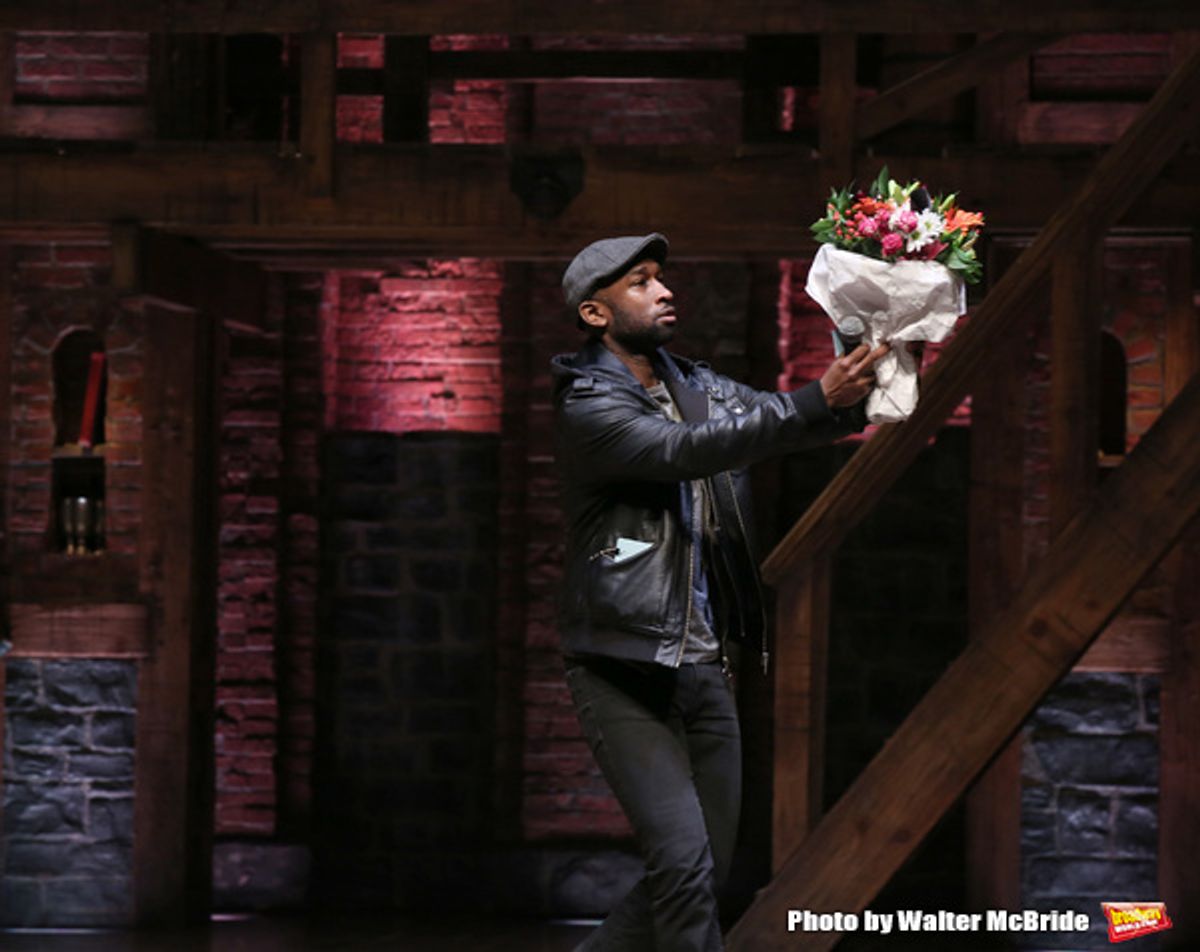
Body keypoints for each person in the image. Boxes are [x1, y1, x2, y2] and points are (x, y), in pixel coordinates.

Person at [551, 233, 887, 951]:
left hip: (705, 669)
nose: (664, 290)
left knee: (695, 873)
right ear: (594, 313)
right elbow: (682, 452)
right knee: (681, 862)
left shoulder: (704, 391)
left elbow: (821, 416)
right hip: (622, 667)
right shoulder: (587, 404)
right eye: (641, 283)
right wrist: (808, 403)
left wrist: (877, 327)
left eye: (661, 278)